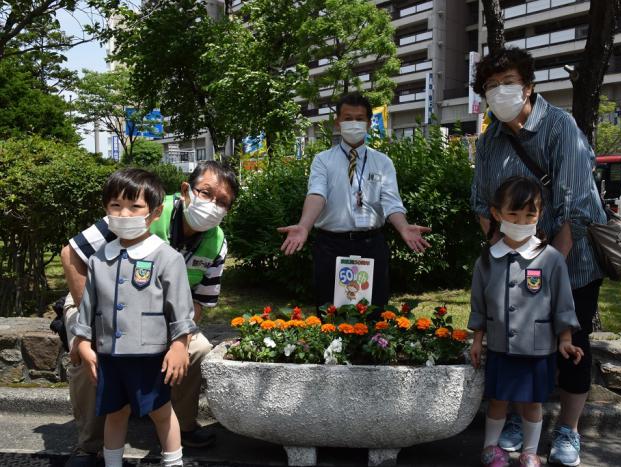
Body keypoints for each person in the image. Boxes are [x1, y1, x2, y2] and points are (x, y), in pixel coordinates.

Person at [470, 47, 606, 466]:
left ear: (528, 86)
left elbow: (575, 207)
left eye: (507, 82)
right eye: (491, 86)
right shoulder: (490, 138)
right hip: (510, 262)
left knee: (570, 343)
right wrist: (503, 250)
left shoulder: (560, 127)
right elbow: (480, 202)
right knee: (512, 343)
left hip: (570, 262)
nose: (500, 92)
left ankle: (568, 430)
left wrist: (549, 268)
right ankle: (513, 420)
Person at [61, 161, 238, 467]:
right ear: (186, 191)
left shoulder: (216, 242)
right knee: (86, 354)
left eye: (222, 202)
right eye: (206, 193)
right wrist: (91, 326)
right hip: (94, 301)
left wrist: (176, 341)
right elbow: (71, 254)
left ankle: (180, 427)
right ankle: (90, 445)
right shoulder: (134, 204)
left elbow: (197, 304)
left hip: (160, 316)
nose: (212, 205)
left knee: (197, 349)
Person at [72, 168, 197, 467]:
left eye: (135, 206)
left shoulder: (167, 257)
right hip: (109, 356)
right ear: (106, 209)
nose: (124, 213)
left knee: (161, 412)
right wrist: (83, 342)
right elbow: (88, 307)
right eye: (115, 205)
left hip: (150, 356)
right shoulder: (99, 257)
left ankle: (173, 463)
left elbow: (180, 309)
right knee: (114, 413)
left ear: (154, 213)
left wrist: (179, 345)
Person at [469, 176, 583, 467]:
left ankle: (530, 452)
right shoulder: (487, 259)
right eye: (513, 214)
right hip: (499, 346)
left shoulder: (551, 259)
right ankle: (491, 448)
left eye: (529, 214)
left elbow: (563, 304)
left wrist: (566, 340)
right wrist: (478, 341)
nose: (521, 221)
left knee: (533, 404)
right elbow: (479, 305)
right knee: (497, 401)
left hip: (538, 349)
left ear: (539, 215)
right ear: (496, 214)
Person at [277, 93, 431, 309]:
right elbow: (317, 194)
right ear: (337, 122)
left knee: (374, 314)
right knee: (330, 315)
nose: (354, 123)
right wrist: (304, 226)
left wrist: (403, 227)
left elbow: (391, 202)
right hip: (331, 246)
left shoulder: (382, 162)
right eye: (348, 118)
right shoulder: (323, 160)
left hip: (371, 245)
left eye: (359, 118)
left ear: (369, 123)